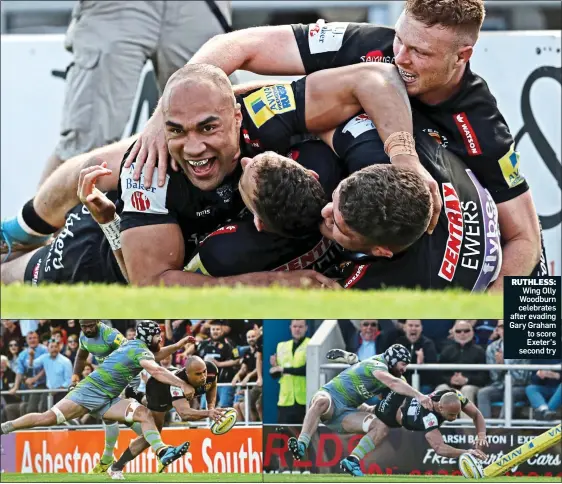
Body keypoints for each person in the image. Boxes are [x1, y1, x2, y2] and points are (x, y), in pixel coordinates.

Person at [1, 58, 421, 288]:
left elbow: (375, 78)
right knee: (15, 274)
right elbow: (147, 283)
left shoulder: (265, 114)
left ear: (236, 117)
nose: (195, 147)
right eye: (176, 131)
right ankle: (15, 233)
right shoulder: (149, 168)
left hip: (148, 244)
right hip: (94, 254)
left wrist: (406, 164)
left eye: (208, 127)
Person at [37, 0, 234, 186]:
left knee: (222, 133)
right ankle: (34, 221)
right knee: (85, 144)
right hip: (118, 6)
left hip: (197, 6)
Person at [0, 321, 193, 473]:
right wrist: (182, 383)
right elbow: (156, 369)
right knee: (47, 418)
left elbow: (155, 358)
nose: (160, 339)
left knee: (144, 414)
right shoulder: (137, 349)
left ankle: (162, 451)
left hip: (109, 397)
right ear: (149, 336)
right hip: (90, 391)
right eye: (158, 336)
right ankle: (5, 427)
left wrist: (177, 345)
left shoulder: (137, 347)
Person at [287, 345, 434, 477]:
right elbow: (393, 383)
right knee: (321, 401)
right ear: (392, 360)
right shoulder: (377, 365)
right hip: (331, 398)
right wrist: (420, 396)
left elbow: (397, 397)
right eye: (403, 364)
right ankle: (302, 444)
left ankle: (352, 460)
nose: (404, 369)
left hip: (347, 413)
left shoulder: (395, 376)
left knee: (381, 428)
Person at [72, 319, 194, 474]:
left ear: (96, 322)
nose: (87, 329)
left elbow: (143, 354)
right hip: (112, 380)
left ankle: (120, 458)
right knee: (125, 419)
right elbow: (81, 356)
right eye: (84, 326)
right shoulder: (84, 337)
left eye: (90, 325)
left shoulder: (111, 335)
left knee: (133, 419)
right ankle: (157, 449)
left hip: (124, 381)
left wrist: (177, 346)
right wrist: (75, 375)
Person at [106, 355, 224, 478]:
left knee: (150, 415)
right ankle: (116, 467)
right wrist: (208, 413)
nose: (203, 376)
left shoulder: (211, 369)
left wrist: (211, 407)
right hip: (158, 389)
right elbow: (184, 413)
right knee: (153, 434)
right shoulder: (178, 383)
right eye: (198, 374)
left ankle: (134, 393)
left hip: (170, 381)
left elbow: (212, 386)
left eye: (204, 372)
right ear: (187, 373)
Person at [477, 321, 530, 418]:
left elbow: (523, 378)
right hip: (500, 386)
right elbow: (494, 377)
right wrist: (500, 366)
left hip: (520, 388)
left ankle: (502, 426)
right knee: (483, 393)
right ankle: (485, 427)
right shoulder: (492, 348)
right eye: (502, 327)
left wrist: (505, 364)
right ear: (497, 330)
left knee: (510, 391)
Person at [435, 320, 488, 410]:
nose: (462, 334)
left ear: (472, 332)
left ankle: (466, 424)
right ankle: (441, 422)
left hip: (472, 385)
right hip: (450, 385)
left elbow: (484, 377)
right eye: (458, 331)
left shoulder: (480, 351)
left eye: (466, 331)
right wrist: (450, 380)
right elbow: (438, 375)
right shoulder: (447, 351)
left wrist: (466, 380)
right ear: (454, 333)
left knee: (466, 390)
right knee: (441, 388)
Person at [271, 320, 309, 424]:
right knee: (284, 437)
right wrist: (274, 367)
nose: (297, 329)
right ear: (290, 328)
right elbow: (275, 374)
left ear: (306, 328)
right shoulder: (281, 346)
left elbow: (307, 369)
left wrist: (283, 369)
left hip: (304, 399)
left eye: (300, 327)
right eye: (295, 326)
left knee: (304, 436)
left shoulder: (311, 344)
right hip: (285, 400)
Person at [6, 331, 48, 414]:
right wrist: (16, 386)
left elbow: (47, 367)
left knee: (40, 408)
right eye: (30, 338)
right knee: (29, 409)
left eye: (34, 338)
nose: (32, 340)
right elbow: (19, 372)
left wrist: (34, 378)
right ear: (26, 340)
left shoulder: (45, 350)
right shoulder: (22, 354)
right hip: (32, 386)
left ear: (38, 339)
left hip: (46, 384)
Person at [392, 319, 438, 394]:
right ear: (404, 328)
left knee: (426, 390)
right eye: (410, 325)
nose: (413, 328)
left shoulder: (428, 344)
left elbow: (434, 375)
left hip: (422, 384)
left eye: (417, 326)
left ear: (421, 328)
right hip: (401, 383)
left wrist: (422, 363)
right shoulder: (397, 343)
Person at [31, 339, 73, 405]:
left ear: (59, 348)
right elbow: (32, 365)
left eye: (56, 347)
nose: (54, 349)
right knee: (43, 410)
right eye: (51, 347)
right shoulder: (45, 357)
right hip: (49, 390)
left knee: (58, 413)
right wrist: (31, 356)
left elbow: (69, 381)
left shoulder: (66, 361)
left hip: (62, 392)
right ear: (47, 349)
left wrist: (57, 390)